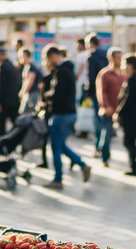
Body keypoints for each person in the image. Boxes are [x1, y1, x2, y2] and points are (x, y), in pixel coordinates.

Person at [41, 45, 91, 190]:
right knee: (60, 146)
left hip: (61, 115)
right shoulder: (67, 70)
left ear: (54, 56)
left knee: (56, 148)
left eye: (49, 59)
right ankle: (82, 165)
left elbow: (58, 95)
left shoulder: (62, 72)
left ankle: (58, 179)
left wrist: (48, 95)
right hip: (68, 114)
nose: (48, 62)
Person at [96, 47, 125, 168]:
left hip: (120, 109)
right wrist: (106, 106)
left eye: (120, 57)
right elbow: (101, 92)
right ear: (111, 58)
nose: (119, 60)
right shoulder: (105, 73)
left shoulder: (123, 73)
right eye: (117, 57)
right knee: (106, 134)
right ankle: (105, 157)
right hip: (108, 109)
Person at [85, 33, 109, 153]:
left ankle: (98, 146)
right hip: (108, 91)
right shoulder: (106, 54)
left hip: (96, 92)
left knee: (97, 119)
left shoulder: (92, 56)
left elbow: (91, 76)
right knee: (106, 121)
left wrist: (88, 92)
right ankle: (105, 148)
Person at [0, 46, 22, 138]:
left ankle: (2, 143)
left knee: (2, 124)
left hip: (6, 101)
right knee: (15, 122)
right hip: (14, 99)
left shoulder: (4, 67)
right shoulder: (11, 65)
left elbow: (2, 86)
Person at [18, 47, 43, 114]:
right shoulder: (27, 67)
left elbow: (29, 81)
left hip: (32, 94)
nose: (20, 58)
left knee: (27, 114)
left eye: (21, 56)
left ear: (26, 56)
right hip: (29, 94)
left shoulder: (32, 68)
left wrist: (22, 92)